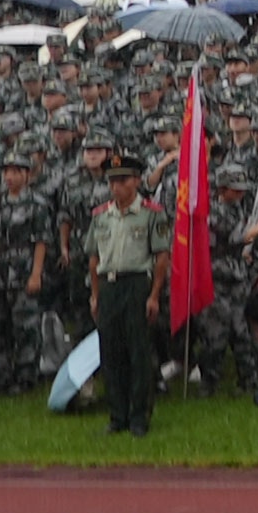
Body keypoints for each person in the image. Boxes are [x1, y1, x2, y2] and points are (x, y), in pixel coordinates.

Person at [83, 156, 164, 437]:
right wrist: (95, 295)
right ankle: (117, 415)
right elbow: (93, 258)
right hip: (109, 285)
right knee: (111, 352)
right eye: (112, 181)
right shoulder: (101, 215)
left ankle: (139, 416)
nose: (116, 187)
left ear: (137, 181)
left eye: (122, 180)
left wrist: (154, 296)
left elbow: (161, 257)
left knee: (138, 352)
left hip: (136, 283)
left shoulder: (150, 213)